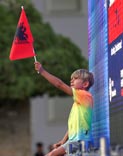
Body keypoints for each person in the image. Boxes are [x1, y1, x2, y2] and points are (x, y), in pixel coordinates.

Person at [34, 62, 94, 156]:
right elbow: (73, 127)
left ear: (85, 84)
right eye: (71, 79)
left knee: (51, 155)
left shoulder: (85, 95)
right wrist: (63, 140)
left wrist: (42, 71)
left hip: (81, 141)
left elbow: (59, 84)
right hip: (75, 141)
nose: (71, 81)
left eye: (75, 78)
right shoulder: (78, 103)